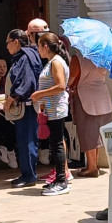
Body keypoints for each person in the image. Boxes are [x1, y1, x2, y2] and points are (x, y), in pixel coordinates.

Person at [32, 32, 71, 196]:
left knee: (57, 143)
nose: (38, 50)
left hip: (56, 109)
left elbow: (61, 85)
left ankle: (62, 180)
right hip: (51, 109)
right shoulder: (53, 62)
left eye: (39, 46)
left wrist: (40, 94)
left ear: (45, 47)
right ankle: (59, 179)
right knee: (55, 143)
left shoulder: (56, 62)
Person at [5, 29, 43, 188]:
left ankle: (29, 176)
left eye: (7, 43)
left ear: (15, 42)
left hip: (26, 107)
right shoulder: (30, 55)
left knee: (27, 141)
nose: (6, 47)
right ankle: (27, 174)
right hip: (26, 106)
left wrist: (11, 98)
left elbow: (25, 82)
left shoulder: (25, 57)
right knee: (26, 141)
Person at [69, 51, 112, 177]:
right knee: (97, 133)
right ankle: (94, 164)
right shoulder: (102, 56)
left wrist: (69, 86)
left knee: (87, 132)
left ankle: (92, 167)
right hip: (102, 95)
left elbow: (72, 78)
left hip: (85, 96)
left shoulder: (77, 58)